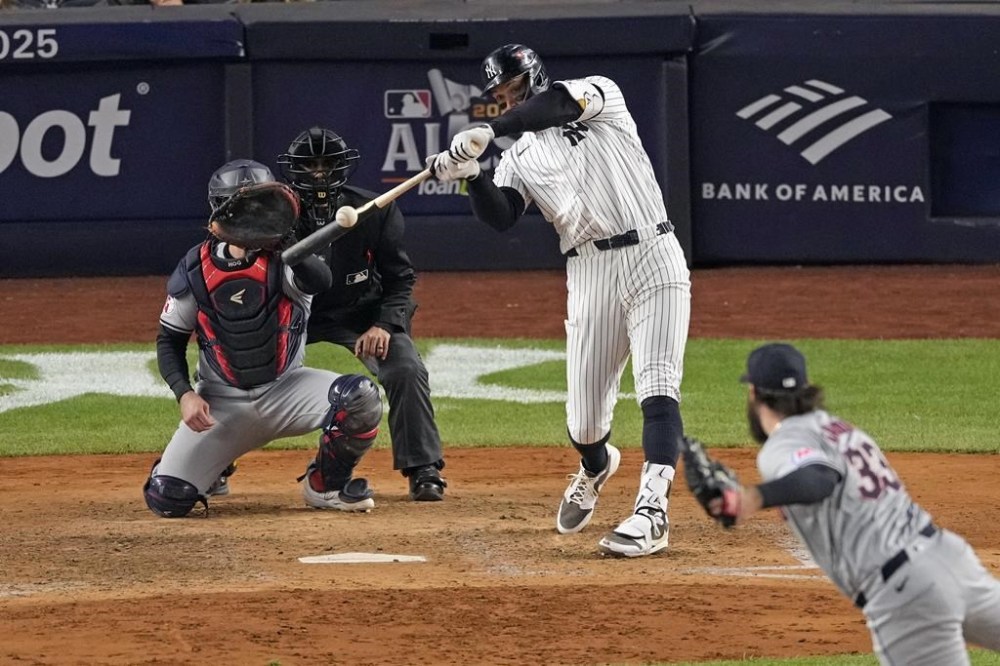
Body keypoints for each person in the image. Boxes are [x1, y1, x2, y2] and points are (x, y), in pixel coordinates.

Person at [429, 44, 691, 557]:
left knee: (658, 387)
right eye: (499, 94)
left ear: (534, 75)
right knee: (584, 423)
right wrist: (473, 176)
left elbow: (557, 106)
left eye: (513, 86)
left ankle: (652, 511)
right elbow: (502, 215)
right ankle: (596, 465)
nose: (508, 97)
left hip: (655, 253)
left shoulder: (598, 96)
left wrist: (490, 131)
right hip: (589, 270)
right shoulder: (519, 156)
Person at [688, 342, 1000, 665]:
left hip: (907, 593)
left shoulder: (783, 444)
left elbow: (820, 477)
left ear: (753, 393)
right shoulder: (836, 427)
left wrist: (750, 499)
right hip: (951, 558)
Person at [143, 159, 384, 517]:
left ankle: (325, 485)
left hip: (286, 391)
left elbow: (319, 281)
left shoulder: (289, 260)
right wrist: (185, 395)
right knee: (167, 497)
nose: (252, 216)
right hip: (221, 403)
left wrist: (288, 241)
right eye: (243, 207)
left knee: (360, 399)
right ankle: (215, 464)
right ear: (220, 211)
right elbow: (170, 340)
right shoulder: (195, 267)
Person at [277, 127, 447, 501]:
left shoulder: (373, 209)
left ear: (343, 167)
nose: (319, 174)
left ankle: (423, 469)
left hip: (358, 312)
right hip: (290, 313)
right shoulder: (276, 215)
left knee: (405, 367)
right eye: (310, 165)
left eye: (327, 164)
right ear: (294, 170)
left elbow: (400, 277)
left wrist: (384, 324)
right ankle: (214, 467)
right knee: (244, 364)